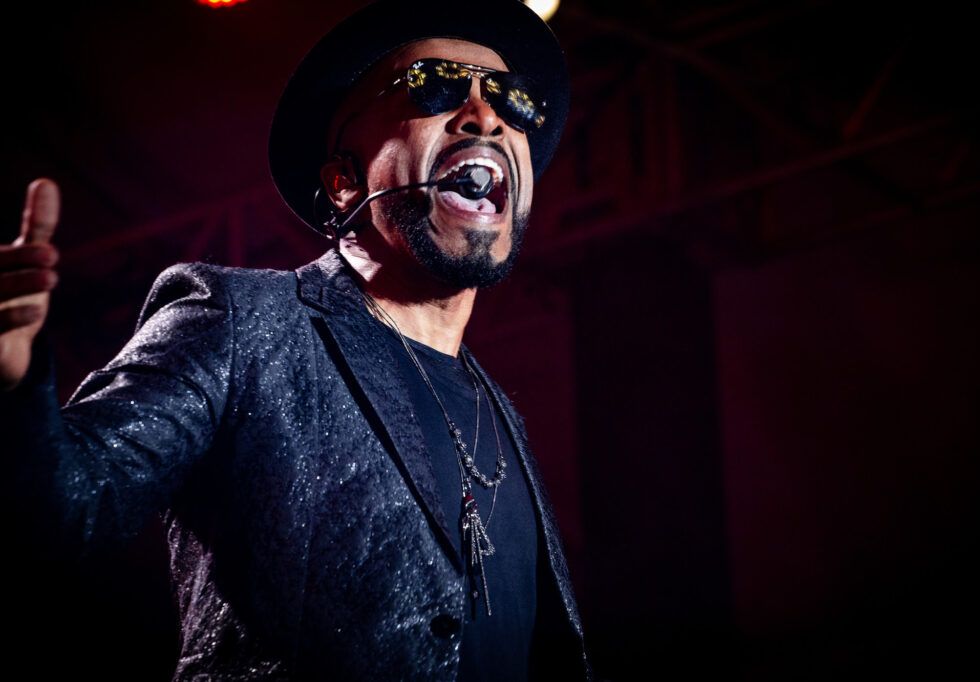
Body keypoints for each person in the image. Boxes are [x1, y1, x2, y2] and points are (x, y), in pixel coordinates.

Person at [0, 0, 592, 679]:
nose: (486, 116)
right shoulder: (241, 322)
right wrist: (12, 390)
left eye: (513, 101)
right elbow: (64, 510)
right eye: (434, 85)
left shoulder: (502, 413)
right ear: (344, 183)